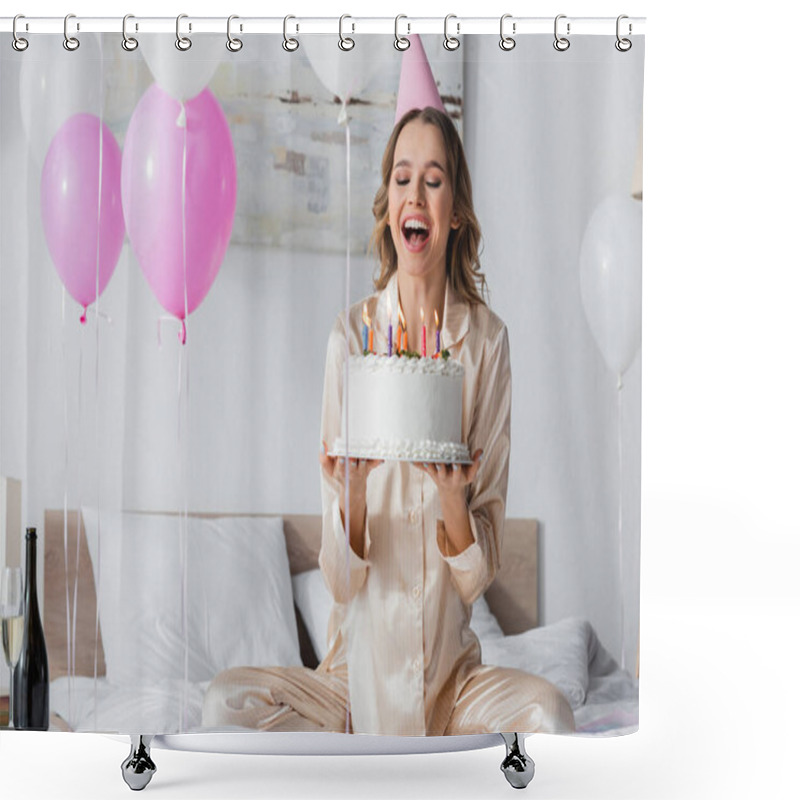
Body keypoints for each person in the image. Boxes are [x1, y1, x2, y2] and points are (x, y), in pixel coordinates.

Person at [203, 107, 575, 736]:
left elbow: (476, 579)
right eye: (403, 178)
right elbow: (343, 584)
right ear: (388, 203)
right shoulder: (350, 338)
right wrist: (349, 493)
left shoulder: (486, 344)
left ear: (454, 209)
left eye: (433, 179)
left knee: (550, 711)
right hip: (351, 685)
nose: (416, 194)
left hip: (451, 685)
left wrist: (455, 503)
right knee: (223, 703)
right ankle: (355, 743)